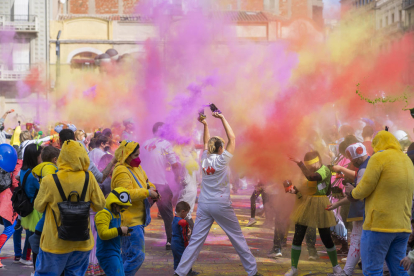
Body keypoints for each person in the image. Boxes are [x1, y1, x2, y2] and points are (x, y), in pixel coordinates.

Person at [174, 112, 261, 276]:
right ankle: (253, 272)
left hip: (205, 205)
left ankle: (180, 272)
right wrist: (222, 118)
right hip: (221, 205)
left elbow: (205, 142)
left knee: (195, 242)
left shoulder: (204, 157)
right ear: (221, 148)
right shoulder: (222, 160)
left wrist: (205, 125)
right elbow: (232, 138)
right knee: (237, 238)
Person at [345, 131, 414, 275]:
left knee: (372, 269)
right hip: (403, 227)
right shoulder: (406, 160)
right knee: (399, 269)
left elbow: (364, 188)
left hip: (379, 225)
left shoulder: (379, 157)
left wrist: (352, 192)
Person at [33, 140, 106, 276]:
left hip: (55, 243)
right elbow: (100, 205)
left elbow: (38, 206)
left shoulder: (50, 180)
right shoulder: (88, 178)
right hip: (82, 242)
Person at [286, 151, 342, 276]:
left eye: (311, 166)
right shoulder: (308, 171)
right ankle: (293, 268)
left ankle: (336, 268)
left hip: (321, 205)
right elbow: (304, 188)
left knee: (325, 237)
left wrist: (300, 163)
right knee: (298, 236)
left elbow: (312, 178)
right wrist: (295, 191)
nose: (309, 169)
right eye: (307, 166)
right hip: (305, 204)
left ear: (318, 161)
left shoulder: (325, 170)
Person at [111, 140, 159, 276]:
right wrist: (148, 193)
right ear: (126, 155)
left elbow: (145, 182)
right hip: (129, 221)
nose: (138, 158)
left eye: (139, 154)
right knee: (137, 256)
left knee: (126, 256)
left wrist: (152, 189)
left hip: (138, 220)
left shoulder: (137, 168)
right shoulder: (121, 171)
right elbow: (124, 194)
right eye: (135, 155)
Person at [327, 143, 370, 276]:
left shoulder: (363, 169)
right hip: (367, 211)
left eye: (351, 159)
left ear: (356, 157)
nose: (350, 161)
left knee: (358, 240)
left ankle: (347, 272)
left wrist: (351, 192)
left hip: (363, 212)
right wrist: (337, 203)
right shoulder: (369, 164)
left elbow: (359, 194)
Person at [140, 122, 181, 250]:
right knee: (168, 215)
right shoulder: (166, 144)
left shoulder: (144, 144)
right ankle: (170, 241)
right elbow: (174, 164)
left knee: (140, 212)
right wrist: (178, 176)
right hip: (160, 184)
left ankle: (136, 238)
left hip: (145, 184)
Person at [28, 145, 60, 272]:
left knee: (38, 250)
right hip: (48, 219)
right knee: (42, 251)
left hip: (43, 219)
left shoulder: (41, 169)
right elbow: (51, 188)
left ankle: (38, 270)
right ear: (55, 159)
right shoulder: (50, 170)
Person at [95, 187, 132, 276]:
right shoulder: (103, 213)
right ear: (114, 204)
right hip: (107, 253)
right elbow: (103, 234)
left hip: (115, 252)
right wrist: (119, 230)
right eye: (121, 207)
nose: (122, 210)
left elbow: (113, 231)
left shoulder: (116, 213)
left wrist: (122, 232)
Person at [19, 144, 43, 268]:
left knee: (31, 235)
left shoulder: (23, 170)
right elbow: (43, 188)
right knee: (35, 239)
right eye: (40, 155)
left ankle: (25, 257)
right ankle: (34, 264)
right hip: (35, 210)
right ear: (35, 157)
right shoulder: (34, 175)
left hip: (27, 206)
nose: (42, 157)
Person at [175, 143, 199, 230]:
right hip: (193, 189)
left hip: (187, 190)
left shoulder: (185, 162)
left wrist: (178, 180)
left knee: (180, 213)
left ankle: (185, 233)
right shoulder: (193, 161)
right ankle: (191, 234)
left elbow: (185, 180)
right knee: (188, 213)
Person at [171, 201, 199, 276]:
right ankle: (188, 271)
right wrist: (186, 244)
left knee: (177, 258)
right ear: (183, 212)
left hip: (173, 242)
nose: (186, 215)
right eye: (186, 213)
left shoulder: (175, 219)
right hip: (180, 243)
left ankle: (176, 271)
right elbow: (184, 235)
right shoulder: (182, 222)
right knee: (185, 258)